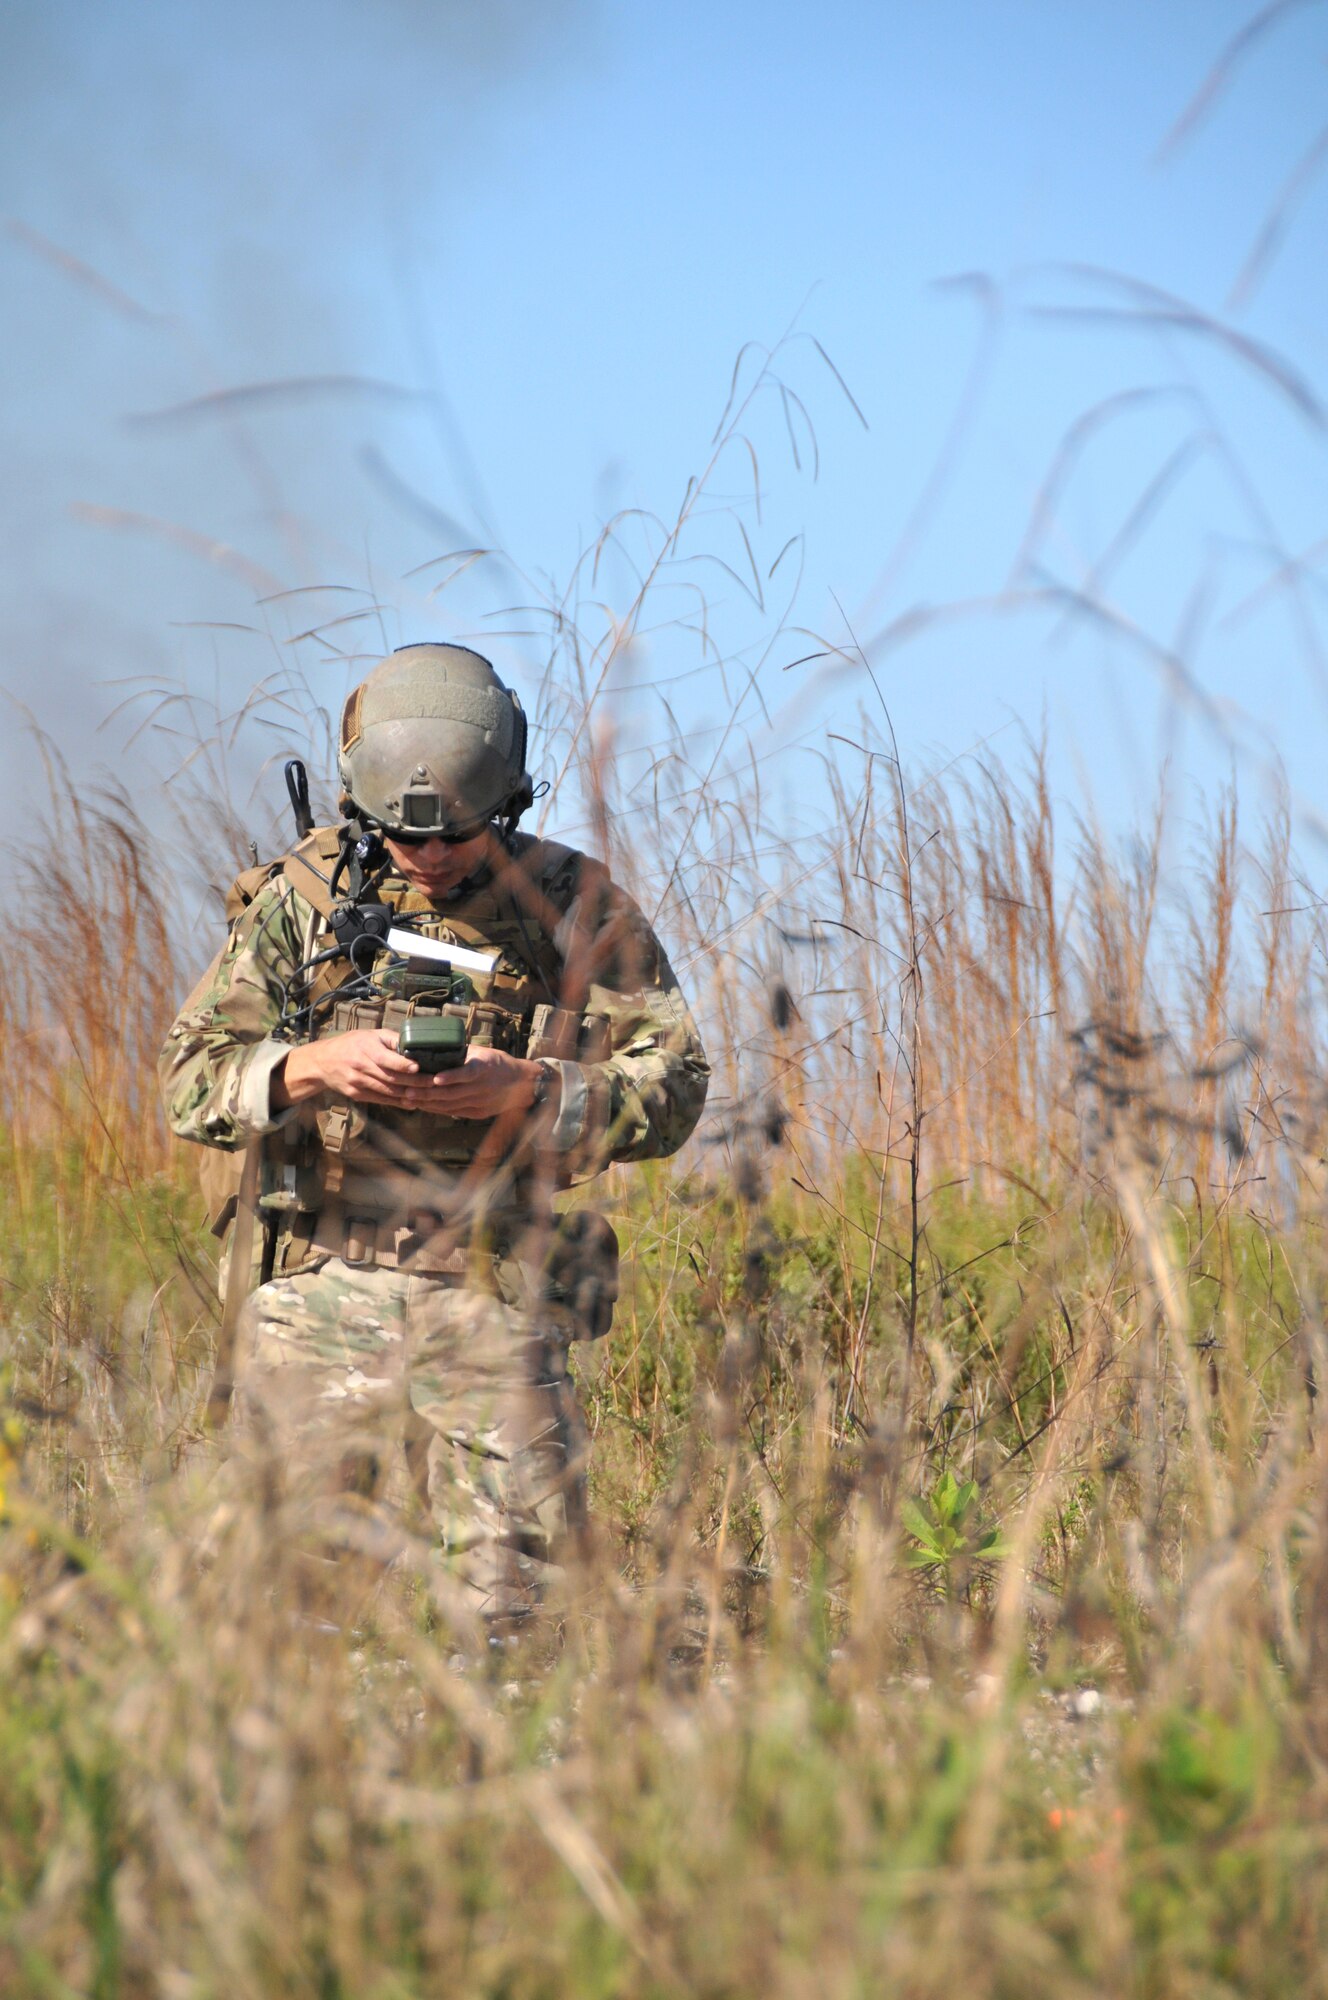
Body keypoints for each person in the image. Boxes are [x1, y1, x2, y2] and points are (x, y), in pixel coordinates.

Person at [160, 642, 709, 1622]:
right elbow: (186, 1077)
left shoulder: (570, 907)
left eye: (457, 833)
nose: (430, 856)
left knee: (515, 1607)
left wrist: (532, 1087)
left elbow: (674, 1084)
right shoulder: (302, 899)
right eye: (403, 837)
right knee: (279, 1602)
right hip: (320, 1288)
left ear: (507, 803)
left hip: (491, 1290)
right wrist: (303, 1065)